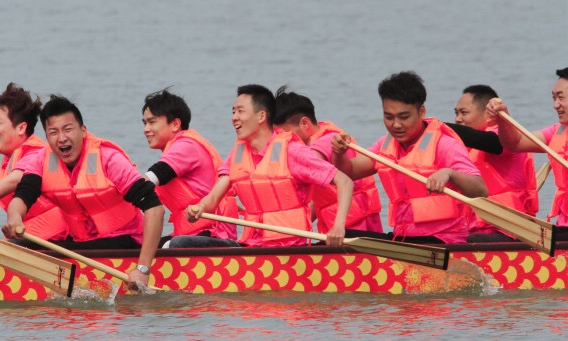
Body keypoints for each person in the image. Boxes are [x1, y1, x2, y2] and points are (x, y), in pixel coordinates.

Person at [1, 94, 164, 289]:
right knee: (15, 247)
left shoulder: (108, 158)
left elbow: (155, 208)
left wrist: (143, 269)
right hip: (80, 243)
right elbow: (22, 197)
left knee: (41, 251)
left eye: (67, 129)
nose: (61, 138)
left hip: (123, 242)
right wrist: (14, 217)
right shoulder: (42, 160)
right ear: (47, 137)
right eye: (53, 132)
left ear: (83, 131)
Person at [180, 84, 355, 248]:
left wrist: (338, 227)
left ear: (262, 116)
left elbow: (345, 182)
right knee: (181, 244)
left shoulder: (292, 151)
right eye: (233, 111)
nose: (234, 117)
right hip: (251, 245)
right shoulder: (238, 153)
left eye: (240, 111)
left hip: (289, 249)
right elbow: (213, 198)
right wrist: (199, 208)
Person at [332, 71, 487, 244]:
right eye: (388, 117)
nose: (396, 125)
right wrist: (339, 154)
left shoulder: (444, 144)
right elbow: (348, 171)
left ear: (421, 111)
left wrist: (449, 173)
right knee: (341, 238)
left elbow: (480, 191)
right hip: (403, 238)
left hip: (443, 240)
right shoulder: (385, 144)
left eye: (404, 117)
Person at [273, 86, 384, 235]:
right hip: (331, 230)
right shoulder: (308, 144)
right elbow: (318, 201)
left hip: (356, 230)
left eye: (284, 134)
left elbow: (309, 163)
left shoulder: (327, 140)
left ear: (305, 123)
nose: (283, 140)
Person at [141, 88, 237, 245]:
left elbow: (153, 177)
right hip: (193, 232)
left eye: (152, 122)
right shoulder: (175, 148)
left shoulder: (186, 146)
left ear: (175, 124)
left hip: (213, 233)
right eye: (144, 123)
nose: (146, 129)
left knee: (163, 246)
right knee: (143, 245)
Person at [486, 67, 568, 229]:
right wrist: (504, 118)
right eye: (553, 98)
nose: (555, 105)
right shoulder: (558, 131)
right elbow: (515, 143)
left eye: (561, 98)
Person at [454, 84, 538, 241]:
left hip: (509, 230)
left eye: (463, 113)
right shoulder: (467, 150)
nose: (458, 119)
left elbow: (489, 141)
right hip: (478, 230)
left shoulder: (505, 138)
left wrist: (437, 126)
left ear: (486, 114)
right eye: (456, 113)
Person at [0, 83, 66, 240]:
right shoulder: (9, 159)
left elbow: (16, 179)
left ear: (21, 128)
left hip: (60, 232)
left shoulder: (36, 152)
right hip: (36, 229)